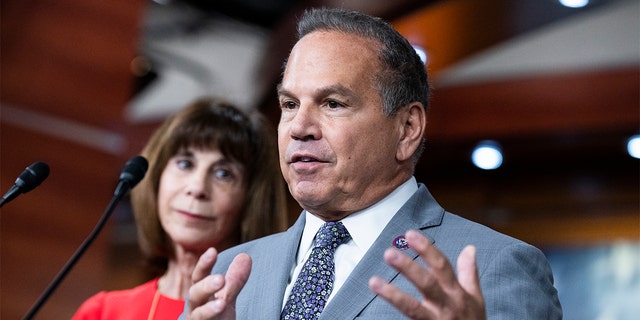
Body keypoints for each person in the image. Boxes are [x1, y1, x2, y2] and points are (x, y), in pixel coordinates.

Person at [183, 7, 563, 320]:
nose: (299, 127)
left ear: (407, 128)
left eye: (333, 103)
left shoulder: (493, 268)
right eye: (289, 105)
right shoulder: (227, 275)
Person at [72, 97, 288, 319]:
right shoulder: (103, 311)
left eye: (224, 173)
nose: (197, 187)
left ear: (252, 200)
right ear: (157, 178)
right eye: (185, 164)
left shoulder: (273, 313)